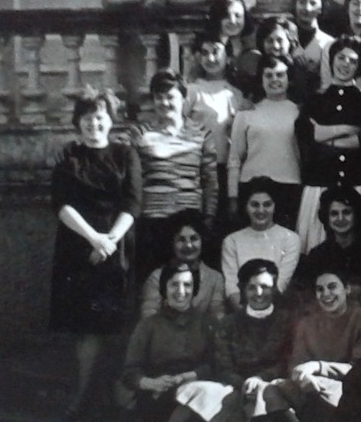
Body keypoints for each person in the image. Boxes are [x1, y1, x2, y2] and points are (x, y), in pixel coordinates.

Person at [142, 259, 307, 422]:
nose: (258, 293)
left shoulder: (288, 321)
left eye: (265, 287)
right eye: (252, 287)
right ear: (242, 289)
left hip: (273, 386)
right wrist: (241, 383)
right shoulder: (229, 323)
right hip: (234, 387)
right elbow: (222, 364)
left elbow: (288, 361)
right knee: (199, 390)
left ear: (274, 288)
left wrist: (259, 379)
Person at [50, 87, 142, 421]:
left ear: (110, 121)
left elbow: (133, 201)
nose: (94, 125)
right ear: (79, 123)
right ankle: (83, 396)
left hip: (117, 246)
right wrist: (93, 239)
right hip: (78, 247)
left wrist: (111, 240)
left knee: (116, 322)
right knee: (86, 326)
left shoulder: (124, 154)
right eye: (87, 119)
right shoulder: (69, 156)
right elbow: (61, 204)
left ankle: (115, 394)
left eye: (100, 118)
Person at [130, 70, 217, 280]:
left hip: (188, 224)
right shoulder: (140, 134)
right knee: (151, 283)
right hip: (153, 221)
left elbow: (210, 182)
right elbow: (131, 180)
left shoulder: (201, 134)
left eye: (170, 97)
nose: (164, 102)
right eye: (159, 97)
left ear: (183, 98)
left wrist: (208, 219)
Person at [295, 36, 361, 252]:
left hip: (353, 182)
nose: (345, 64)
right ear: (331, 60)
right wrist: (350, 130)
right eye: (341, 58)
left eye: (352, 61)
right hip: (320, 183)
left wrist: (324, 134)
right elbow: (307, 138)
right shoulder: (315, 100)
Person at [117, 260, 215, 422]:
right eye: (174, 284)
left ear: (195, 289)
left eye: (187, 285)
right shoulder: (148, 325)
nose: (181, 291)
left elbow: (216, 365)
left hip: (197, 396)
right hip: (157, 397)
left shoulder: (207, 323)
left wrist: (187, 377)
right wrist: (152, 383)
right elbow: (129, 373)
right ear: (164, 288)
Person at [282, 263, 361, 422]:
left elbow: (360, 368)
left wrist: (317, 367)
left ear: (346, 289)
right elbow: (296, 364)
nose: (326, 294)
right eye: (320, 289)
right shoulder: (306, 323)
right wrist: (304, 377)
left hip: (345, 391)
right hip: (307, 387)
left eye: (332, 287)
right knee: (271, 391)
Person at [226, 53, 303, 230]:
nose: (274, 79)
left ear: (289, 78)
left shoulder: (299, 112)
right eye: (268, 75)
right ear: (260, 79)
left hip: (289, 188)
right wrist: (233, 197)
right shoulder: (247, 113)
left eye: (280, 75)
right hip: (252, 189)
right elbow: (234, 158)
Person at [184, 33, 248, 229]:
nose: (210, 59)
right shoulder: (192, 90)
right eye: (204, 53)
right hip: (198, 169)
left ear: (228, 57)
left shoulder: (235, 94)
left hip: (226, 170)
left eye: (215, 52)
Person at [220, 178, 301, 310]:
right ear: (246, 206)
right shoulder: (231, 241)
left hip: (275, 312)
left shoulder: (291, 239)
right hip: (241, 312)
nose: (261, 210)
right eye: (255, 205)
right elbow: (231, 287)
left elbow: (281, 284)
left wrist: (264, 315)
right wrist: (247, 315)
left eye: (267, 204)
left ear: (275, 206)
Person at [137, 210, 226, 321]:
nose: (188, 245)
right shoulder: (157, 277)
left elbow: (217, 313)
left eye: (194, 239)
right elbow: (149, 315)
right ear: (172, 243)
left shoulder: (215, 278)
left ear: (202, 241)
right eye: (181, 240)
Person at [296, 186, 361, 298]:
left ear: (356, 215)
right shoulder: (317, 255)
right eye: (334, 214)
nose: (340, 218)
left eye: (346, 212)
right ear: (326, 217)